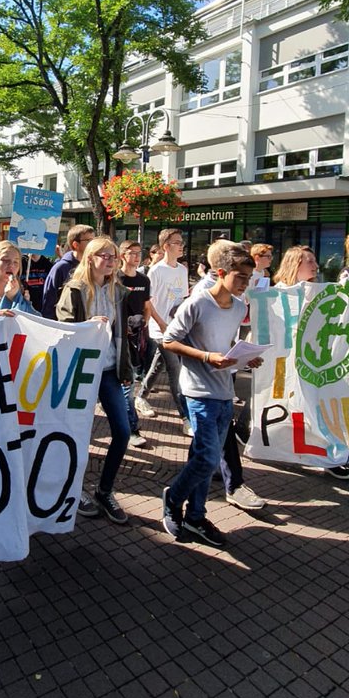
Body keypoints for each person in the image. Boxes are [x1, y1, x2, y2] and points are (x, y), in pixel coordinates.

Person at [160, 241, 263, 547]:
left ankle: (195, 516)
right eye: (240, 277)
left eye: (249, 278)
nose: (245, 284)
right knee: (207, 459)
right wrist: (207, 358)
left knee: (202, 458)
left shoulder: (240, 307)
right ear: (220, 273)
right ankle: (173, 498)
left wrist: (244, 357)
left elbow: (225, 345)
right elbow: (169, 340)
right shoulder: (197, 303)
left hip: (224, 391)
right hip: (197, 391)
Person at [56, 237, 133, 524]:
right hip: (82, 370)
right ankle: (73, 490)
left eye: (114, 256)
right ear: (90, 258)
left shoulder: (119, 291)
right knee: (78, 435)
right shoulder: (75, 289)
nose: (112, 261)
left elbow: (120, 335)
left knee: (123, 431)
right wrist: (87, 327)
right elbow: (62, 328)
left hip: (109, 370)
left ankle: (104, 490)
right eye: (105, 255)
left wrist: (126, 368)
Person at [274, 245, 349, 481]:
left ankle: (328, 455)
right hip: (285, 365)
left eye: (314, 260)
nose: (316, 265)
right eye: (309, 261)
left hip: (314, 363)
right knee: (288, 407)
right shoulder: (278, 293)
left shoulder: (319, 293)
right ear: (294, 264)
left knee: (316, 407)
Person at [142, 228, 192, 434]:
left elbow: (183, 299)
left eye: (182, 242)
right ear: (166, 246)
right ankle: (186, 417)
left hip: (177, 327)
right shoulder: (156, 271)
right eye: (177, 242)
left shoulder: (182, 270)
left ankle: (140, 396)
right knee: (175, 370)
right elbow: (148, 302)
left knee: (159, 364)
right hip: (160, 330)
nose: (182, 246)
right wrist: (161, 323)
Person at [118, 239, 164, 446]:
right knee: (127, 387)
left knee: (127, 384)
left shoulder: (144, 280)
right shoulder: (115, 279)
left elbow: (147, 306)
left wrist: (144, 323)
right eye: (132, 253)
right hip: (117, 339)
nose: (137, 256)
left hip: (137, 338)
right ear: (122, 255)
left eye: (139, 252)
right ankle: (132, 429)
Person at [40, 225, 95, 319]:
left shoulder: (94, 266)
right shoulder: (61, 268)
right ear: (76, 245)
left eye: (94, 240)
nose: (93, 244)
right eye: (88, 240)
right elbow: (49, 301)